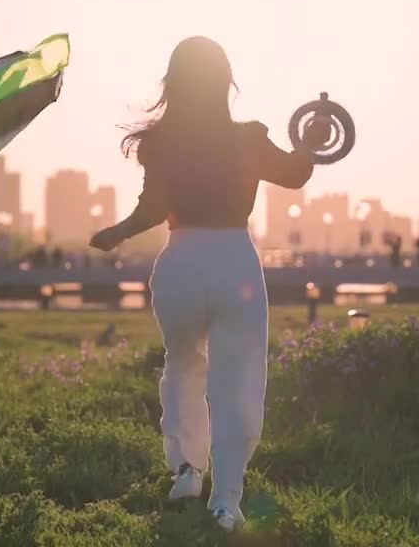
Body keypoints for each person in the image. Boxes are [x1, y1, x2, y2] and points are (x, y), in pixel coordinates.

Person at [88, 36, 327, 532]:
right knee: (237, 379)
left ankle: (187, 472)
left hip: (179, 265)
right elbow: (295, 174)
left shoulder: (161, 143)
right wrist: (310, 140)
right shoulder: (249, 138)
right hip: (233, 262)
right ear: (224, 82)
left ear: (173, 83)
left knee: (183, 366)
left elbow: (152, 209)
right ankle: (226, 501)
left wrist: (116, 233)